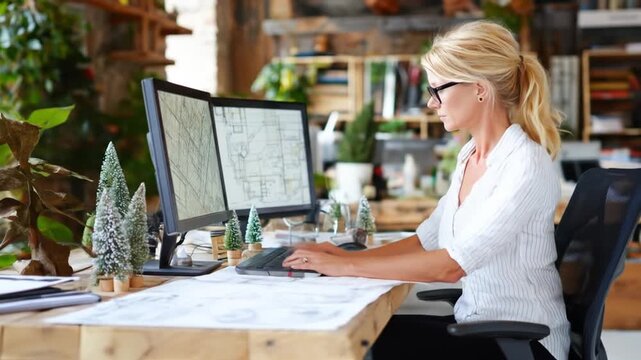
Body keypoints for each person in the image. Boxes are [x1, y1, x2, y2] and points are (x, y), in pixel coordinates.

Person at [283, 20, 570, 360]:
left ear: (479, 88)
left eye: (438, 90)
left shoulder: (525, 164)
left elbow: (450, 266)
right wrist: (346, 256)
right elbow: (426, 239)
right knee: (365, 335)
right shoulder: (470, 156)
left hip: (522, 343)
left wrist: (344, 268)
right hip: (479, 324)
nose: (432, 104)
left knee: (360, 345)